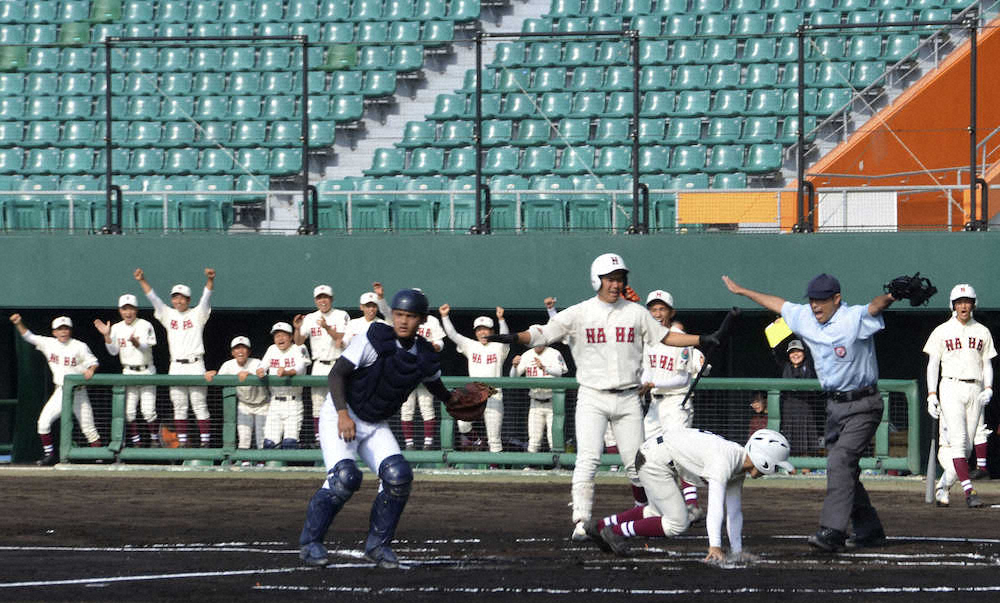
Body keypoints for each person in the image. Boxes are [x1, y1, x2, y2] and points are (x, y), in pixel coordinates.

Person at [490, 253, 719, 541]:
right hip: (592, 396)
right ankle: (581, 521)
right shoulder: (580, 312)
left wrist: (700, 339)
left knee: (638, 464)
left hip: (627, 397)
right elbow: (543, 333)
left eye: (620, 279)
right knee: (588, 459)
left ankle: (645, 509)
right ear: (596, 280)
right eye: (610, 279)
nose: (615, 284)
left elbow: (664, 337)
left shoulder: (636, 313)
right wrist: (516, 338)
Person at [722, 272, 893, 551]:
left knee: (839, 462)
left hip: (864, 404)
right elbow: (778, 304)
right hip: (835, 405)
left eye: (822, 300)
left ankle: (833, 530)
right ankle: (868, 528)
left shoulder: (852, 318)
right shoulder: (805, 316)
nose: (816, 306)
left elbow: (875, 307)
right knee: (842, 468)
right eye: (813, 300)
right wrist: (742, 290)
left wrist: (892, 295)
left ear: (836, 299)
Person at [298, 289, 455, 569]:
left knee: (399, 476)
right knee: (344, 479)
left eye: (410, 316)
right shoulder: (374, 338)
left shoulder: (424, 354)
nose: (403, 321)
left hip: (374, 422)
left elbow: (436, 386)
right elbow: (337, 374)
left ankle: (378, 546)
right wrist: (343, 415)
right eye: (398, 314)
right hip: (341, 413)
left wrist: (454, 399)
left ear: (421, 320)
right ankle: (311, 543)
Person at [585, 428, 793, 560]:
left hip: (659, 457)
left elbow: (734, 512)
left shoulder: (738, 465)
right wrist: (715, 547)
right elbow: (715, 508)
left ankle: (601, 526)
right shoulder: (725, 461)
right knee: (678, 522)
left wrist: (737, 552)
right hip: (654, 460)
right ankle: (617, 531)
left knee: (655, 511)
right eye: (774, 465)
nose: (773, 470)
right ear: (763, 460)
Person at [924, 283, 995, 508]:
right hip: (950, 386)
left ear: (974, 304)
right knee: (958, 442)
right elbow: (933, 364)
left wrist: (989, 388)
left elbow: (987, 363)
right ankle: (969, 491)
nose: (964, 306)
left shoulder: (982, 331)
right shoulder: (942, 330)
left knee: (966, 449)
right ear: (953, 305)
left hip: (975, 387)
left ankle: (943, 486)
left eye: (967, 302)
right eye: (959, 302)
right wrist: (931, 394)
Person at [639, 289, 707, 521]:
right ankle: (656, 503)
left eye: (662, 309)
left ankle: (692, 505)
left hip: (677, 402)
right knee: (646, 453)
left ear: (671, 311)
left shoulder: (680, 338)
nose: (657, 313)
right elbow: (647, 370)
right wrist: (642, 384)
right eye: (654, 309)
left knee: (681, 453)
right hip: (655, 404)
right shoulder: (648, 338)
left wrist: (651, 382)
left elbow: (682, 379)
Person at [134, 267, 215, 447]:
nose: (178, 300)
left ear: (188, 300)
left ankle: (205, 443)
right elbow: (153, 298)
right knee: (180, 407)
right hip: (176, 365)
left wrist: (210, 281)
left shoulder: (197, 313)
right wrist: (142, 280)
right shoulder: (168, 314)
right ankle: (184, 442)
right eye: (175, 297)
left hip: (195, 363)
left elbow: (206, 297)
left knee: (199, 405)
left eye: (182, 297)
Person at [9, 314, 101, 465]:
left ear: (70, 331)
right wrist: (19, 323)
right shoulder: (49, 343)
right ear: (54, 332)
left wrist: (91, 369)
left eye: (66, 328)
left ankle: (99, 457)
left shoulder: (79, 346)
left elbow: (93, 362)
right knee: (43, 423)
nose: (63, 332)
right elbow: (28, 336)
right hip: (61, 391)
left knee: (89, 429)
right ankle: (49, 455)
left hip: (79, 392)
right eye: (60, 329)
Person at [440, 305, 509, 453]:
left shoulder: (498, 346)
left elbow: (505, 337)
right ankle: (478, 441)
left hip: (494, 395)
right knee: (463, 425)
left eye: (486, 329)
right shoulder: (471, 345)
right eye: (479, 329)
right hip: (474, 394)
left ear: (492, 331)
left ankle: (495, 470)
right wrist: (445, 317)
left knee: (494, 438)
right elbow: (453, 335)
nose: (482, 332)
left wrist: (501, 320)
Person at [93, 294, 159, 448]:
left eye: (131, 309)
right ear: (120, 310)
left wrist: (137, 343)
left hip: (146, 371)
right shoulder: (116, 328)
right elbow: (113, 352)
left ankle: (155, 440)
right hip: (128, 371)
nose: (128, 312)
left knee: (148, 412)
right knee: (128, 413)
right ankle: (137, 443)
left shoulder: (145, 324)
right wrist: (107, 336)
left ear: (136, 310)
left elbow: (147, 347)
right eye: (124, 309)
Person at [293, 285, 350, 446]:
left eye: (325, 297)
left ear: (331, 299)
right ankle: (319, 440)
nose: (322, 301)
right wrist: (297, 329)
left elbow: (343, 337)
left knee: (340, 402)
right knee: (317, 404)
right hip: (319, 364)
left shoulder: (340, 315)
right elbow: (298, 342)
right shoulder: (310, 317)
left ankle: (342, 436)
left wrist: (326, 327)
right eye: (319, 298)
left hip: (338, 362)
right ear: (315, 300)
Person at [206, 336, 268, 453]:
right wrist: (213, 373)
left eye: (243, 348)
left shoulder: (257, 362)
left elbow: (262, 373)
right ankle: (244, 464)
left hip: (262, 405)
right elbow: (218, 380)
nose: (240, 351)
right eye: (237, 348)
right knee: (244, 438)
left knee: (261, 438)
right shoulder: (228, 365)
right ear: (232, 352)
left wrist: (249, 373)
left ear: (249, 351)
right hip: (244, 405)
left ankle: (262, 464)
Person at [257, 322, 311, 449]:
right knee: (269, 443)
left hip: (293, 401)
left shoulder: (299, 348)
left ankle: (290, 469)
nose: (280, 338)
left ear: (291, 337)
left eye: (283, 335)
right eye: (277, 336)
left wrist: (287, 372)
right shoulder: (272, 349)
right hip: (275, 401)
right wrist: (260, 370)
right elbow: (262, 365)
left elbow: (301, 367)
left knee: (290, 443)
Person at [401, 307, 446, 450]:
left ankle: (428, 443)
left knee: (426, 406)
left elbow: (440, 342)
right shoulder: (402, 319)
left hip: (424, 368)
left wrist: (434, 346)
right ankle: (409, 444)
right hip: (406, 368)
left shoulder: (431, 320)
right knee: (406, 407)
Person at [510, 344, 567, 453]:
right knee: (534, 440)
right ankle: (531, 465)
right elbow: (513, 377)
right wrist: (514, 366)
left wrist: (544, 367)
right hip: (535, 402)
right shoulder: (527, 355)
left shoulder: (554, 353)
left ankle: (558, 466)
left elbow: (560, 372)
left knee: (554, 439)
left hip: (553, 402)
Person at [777, 339, 819, 456]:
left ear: (804, 352)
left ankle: (806, 467)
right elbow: (776, 350)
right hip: (789, 410)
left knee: (805, 440)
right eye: (792, 352)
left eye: (798, 351)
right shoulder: (785, 366)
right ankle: (791, 467)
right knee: (789, 440)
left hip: (805, 408)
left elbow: (811, 350)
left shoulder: (809, 365)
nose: (795, 354)